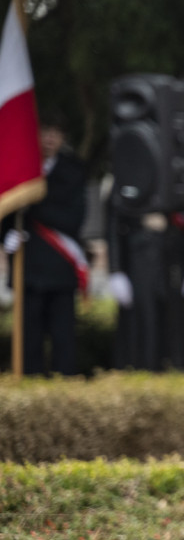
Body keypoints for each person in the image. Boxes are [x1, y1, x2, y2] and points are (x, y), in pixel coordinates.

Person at [2, 113, 88, 376]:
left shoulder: (73, 170)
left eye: (56, 133)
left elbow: (73, 220)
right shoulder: (22, 169)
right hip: (29, 267)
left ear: (62, 138)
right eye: (45, 131)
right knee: (29, 338)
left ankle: (64, 390)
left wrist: (35, 206)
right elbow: (6, 207)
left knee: (63, 339)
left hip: (60, 266)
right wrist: (5, 235)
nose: (49, 138)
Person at [106, 201, 184, 372]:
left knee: (175, 328)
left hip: (173, 262)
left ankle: (177, 369)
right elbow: (114, 222)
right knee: (143, 326)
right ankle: (143, 371)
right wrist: (115, 269)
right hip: (137, 263)